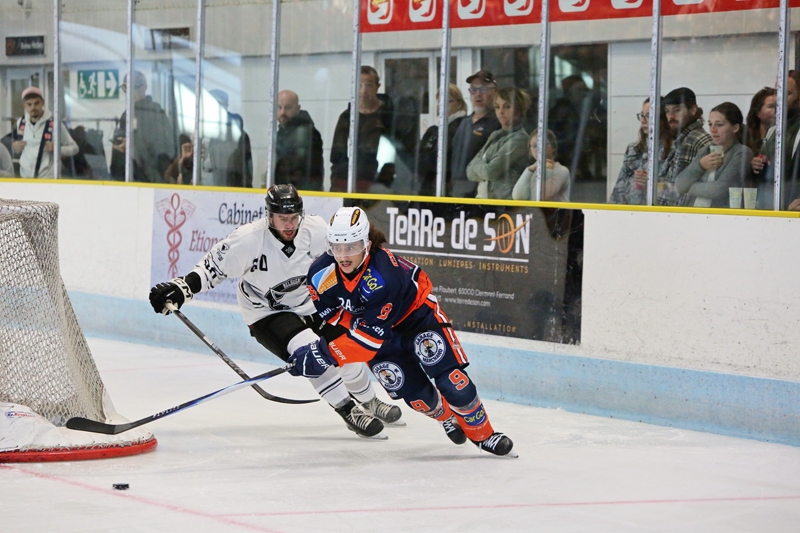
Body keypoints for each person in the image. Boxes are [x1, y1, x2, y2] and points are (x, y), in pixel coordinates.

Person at [148, 185, 402, 439]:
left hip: (310, 304)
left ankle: (369, 402)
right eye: (282, 218)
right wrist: (181, 289)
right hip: (266, 312)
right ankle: (349, 411)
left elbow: (350, 252)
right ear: (269, 216)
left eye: (293, 217)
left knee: (343, 350)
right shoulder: (248, 239)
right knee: (309, 349)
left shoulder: (316, 231)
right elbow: (212, 268)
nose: (289, 224)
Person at [288, 206, 516, 457]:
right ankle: (447, 416)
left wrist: (323, 353)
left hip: (417, 320)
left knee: (454, 384)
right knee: (419, 398)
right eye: (337, 247)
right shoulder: (320, 274)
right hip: (376, 333)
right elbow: (332, 313)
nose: (343, 256)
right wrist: (348, 332)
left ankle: (484, 436)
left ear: (367, 243)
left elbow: (367, 343)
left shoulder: (384, 274)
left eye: (351, 247)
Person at [329, 66, 416, 193]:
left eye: (369, 85)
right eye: (360, 85)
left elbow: (402, 154)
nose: (363, 91)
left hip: (382, 186)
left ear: (377, 86)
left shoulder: (390, 116)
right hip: (351, 185)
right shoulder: (347, 117)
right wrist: (337, 186)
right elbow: (337, 156)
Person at [675, 102, 752, 208]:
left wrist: (688, 187)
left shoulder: (741, 153)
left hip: (723, 217)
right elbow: (679, 185)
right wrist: (700, 165)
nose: (713, 130)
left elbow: (718, 190)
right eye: (710, 124)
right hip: (695, 212)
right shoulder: (704, 150)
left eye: (719, 124)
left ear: (735, 128)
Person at [109, 70, 177, 183]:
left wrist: (133, 147)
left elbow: (164, 148)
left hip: (150, 177)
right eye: (126, 89)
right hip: (130, 177)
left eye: (134, 87)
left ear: (144, 87)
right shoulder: (126, 115)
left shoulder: (155, 112)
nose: (130, 93)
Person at [466, 87, 530, 199]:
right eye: (497, 107)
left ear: (519, 110)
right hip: (483, 203)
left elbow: (490, 172)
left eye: (507, 106)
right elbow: (469, 171)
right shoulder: (495, 136)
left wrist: (479, 164)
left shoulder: (521, 139)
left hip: (504, 206)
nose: (501, 112)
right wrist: (483, 167)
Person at [609, 98, 673, 205]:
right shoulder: (634, 148)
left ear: (662, 119)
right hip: (631, 211)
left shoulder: (673, 149)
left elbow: (678, 190)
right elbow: (620, 187)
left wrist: (653, 183)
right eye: (642, 115)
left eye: (648, 116)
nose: (643, 120)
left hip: (659, 212)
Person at [449, 70, 502, 198]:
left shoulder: (498, 124)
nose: (478, 94)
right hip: (456, 191)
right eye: (473, 89)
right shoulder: (463, 123)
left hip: (481, 194)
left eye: (483, 89)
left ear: (495, 91)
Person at [657, 87, 713, 206]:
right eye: (667, 111)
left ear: (692, 110)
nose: (670, 116)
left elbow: (681, 191)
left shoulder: (692, 140)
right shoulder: (684, 139)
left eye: (677, 110)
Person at [11, 87, 78, 178]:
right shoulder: (21, 122)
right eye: (29, 104)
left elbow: (74, 148)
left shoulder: (55, 124)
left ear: (43, 102)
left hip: (48, 179)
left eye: (36, 103)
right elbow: (19, 148)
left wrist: (56, 148)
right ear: (24, 105)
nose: (33, 107)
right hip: (26, 178)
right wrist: (14, 147)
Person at [415, 84, 468, 196]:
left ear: (459, 104)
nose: (443, 105)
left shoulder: (463, 126)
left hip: (449, 188)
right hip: (427, 186)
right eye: (440, 101)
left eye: (448, 101)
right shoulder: (434, 130)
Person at [275, 90, 324, 191]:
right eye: (279, 107)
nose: (282, 112)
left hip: (300, 195)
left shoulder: (309, 133)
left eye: (288, 108)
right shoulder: (281, 132)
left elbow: (312, 172)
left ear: (298, 108)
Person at [203, 89, 252, 188]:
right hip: (201, 187)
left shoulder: (236, 135)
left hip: (223, 191)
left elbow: (241, 171)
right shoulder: (201, 130)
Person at [512, 128, 571, 202]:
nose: (538, 149)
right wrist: (529, 170)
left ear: (554, 148)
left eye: (543, 144)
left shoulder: (562, 171)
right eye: (534, 146)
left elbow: (542, 197)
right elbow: (518, 196)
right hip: (535, 213)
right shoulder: (533, 170)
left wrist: (548, 169)